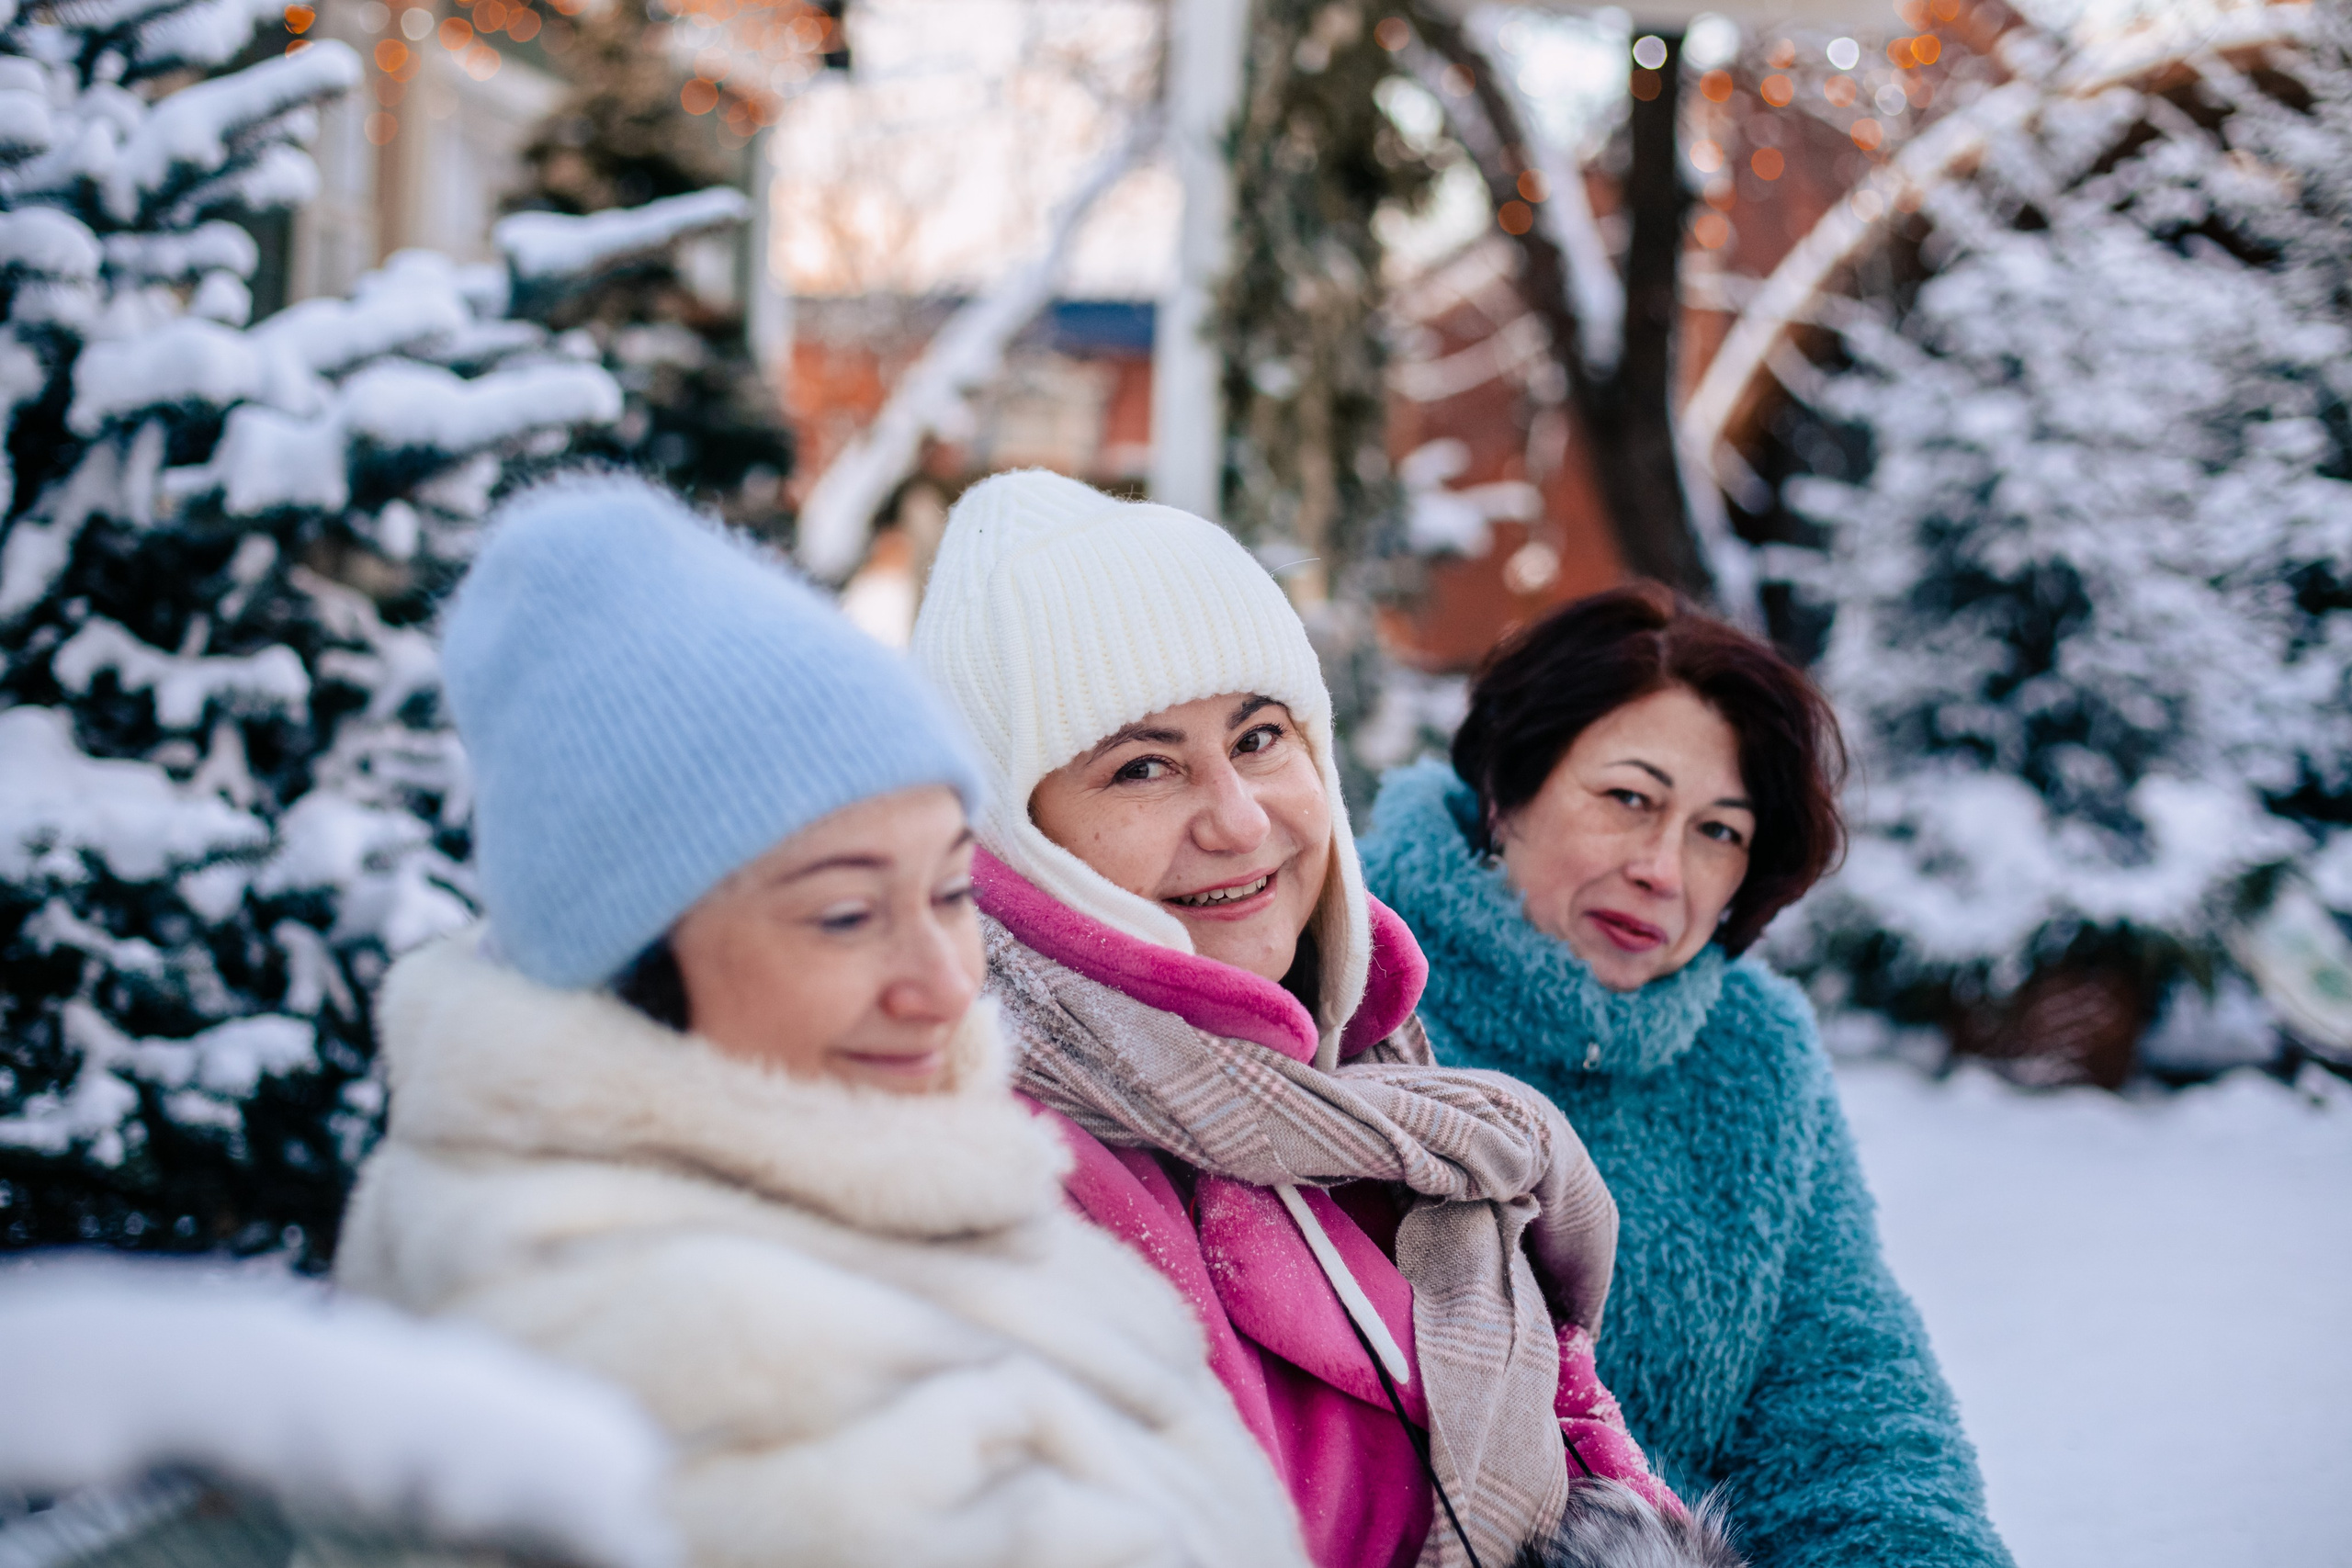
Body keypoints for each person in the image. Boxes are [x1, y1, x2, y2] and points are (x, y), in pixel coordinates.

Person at [334, 476, 1311, 1568]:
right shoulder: (672, 1347)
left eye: (949, 894)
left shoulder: (892, 1190)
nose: (942, 986)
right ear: (632, 959)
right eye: (847, 916)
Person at [911, 471, 1736, 1568]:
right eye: (1142, 766)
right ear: (1017, 838)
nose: (1240, 819)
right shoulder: (1006, 1172)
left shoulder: (1376, 1079)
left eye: (1258, 738)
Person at [1358, 585, 2014, 1568]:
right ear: (1506, 792)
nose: (1663, 869)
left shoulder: (1756, 1054)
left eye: (1719, 831)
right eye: (1629, 799)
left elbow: (1849, 1405)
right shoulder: (1342, 986)